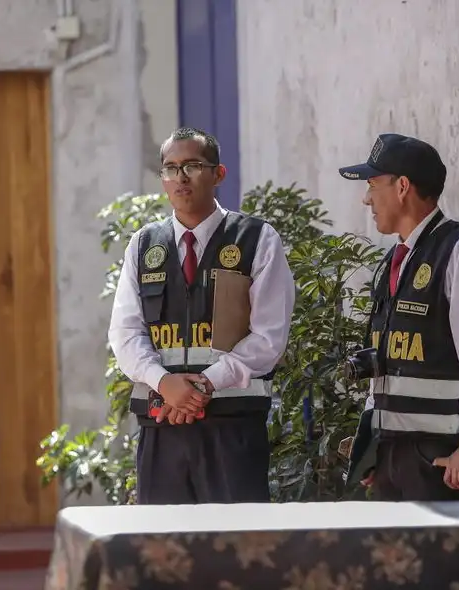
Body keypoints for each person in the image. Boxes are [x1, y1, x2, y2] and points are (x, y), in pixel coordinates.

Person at [108, 127, 295, 505]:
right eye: (170, 168)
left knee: (237, 539)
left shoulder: (256, 239)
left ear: (218, 174)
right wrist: (164, 383)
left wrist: (205, 384)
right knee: (163, 540)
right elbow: (125, 334)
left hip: (232, 429)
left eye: (192, 166)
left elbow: (268, 338)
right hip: (161, 429)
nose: (180, 178)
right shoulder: (144, 245)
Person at [339, 133, 459, 501]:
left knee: (438, 543)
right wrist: (369, 446)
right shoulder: (396, 261)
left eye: (373, 185)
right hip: (392, 457)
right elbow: (387, 364)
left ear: (402, 187)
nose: (366, 199)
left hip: (439, 462)